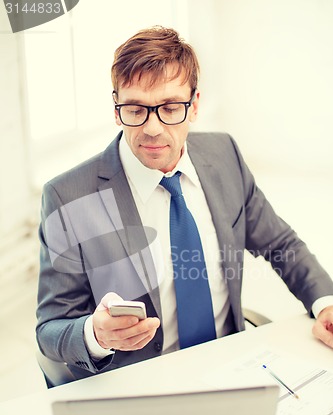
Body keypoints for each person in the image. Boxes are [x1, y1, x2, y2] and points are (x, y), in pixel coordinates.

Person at [36, 26, 333, 381]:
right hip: (139, 384)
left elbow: (281, 244)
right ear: (116, 110)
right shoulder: (67, 196)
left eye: (170, 107)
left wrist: (325, 302)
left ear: (194, 106)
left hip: (233, 367)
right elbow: (51, 327)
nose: (153, 129)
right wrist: (95, 335)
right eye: (135, 109)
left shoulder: (224, 155)